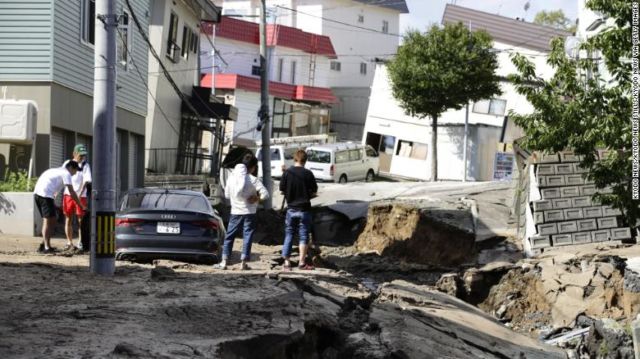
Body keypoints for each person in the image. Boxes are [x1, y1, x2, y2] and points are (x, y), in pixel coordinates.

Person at [215, 153, 269, 270]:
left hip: (235, 212)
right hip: (250, 213)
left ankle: (224, 261)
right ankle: (243, 263)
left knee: (230, 236)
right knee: (247, 236)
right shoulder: (254, 180)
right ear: (253, 167)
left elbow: (227, 195)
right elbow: (266, 194)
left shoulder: (232, 178)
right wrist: (257, 198)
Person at [33, 160, 86, 253]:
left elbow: (54, 187)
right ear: (71, 168)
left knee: (51, 220)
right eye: (75, 170)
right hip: (45, 195)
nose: (75, 173)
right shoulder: (66, 173)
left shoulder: (56, 171)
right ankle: (45, 247)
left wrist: (53, 202)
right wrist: (81, 205)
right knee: (48, 220)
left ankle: (46, 245)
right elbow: (72, 192)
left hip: (39, 194)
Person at [279, 149, 317, 271]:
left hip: (291, 209)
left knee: (289, 233)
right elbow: (314, 191)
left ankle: (287, 263)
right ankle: (301, 262)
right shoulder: (308, 174)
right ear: (305, 161)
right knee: (303, 236)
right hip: (304, 209)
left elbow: (282, 190)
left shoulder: (287, 173)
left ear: (294, 159)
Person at [62, 144, 92, 251]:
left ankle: (80, 242)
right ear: (74, 154)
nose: (82, 157)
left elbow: (87, 180)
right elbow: (62, 177)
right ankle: (69, 242)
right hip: (68, 195)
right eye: (80, 155)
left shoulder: (85, 166)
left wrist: (80, 192)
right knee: (68, 218)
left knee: (81, 220)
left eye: (84, 155)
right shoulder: (67, 163)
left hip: (81, 196)